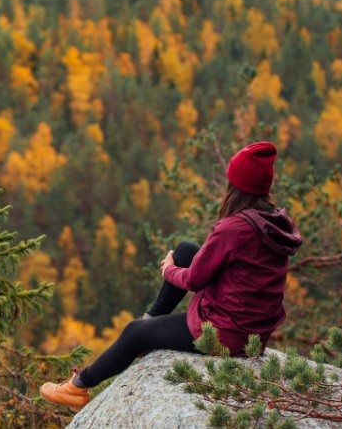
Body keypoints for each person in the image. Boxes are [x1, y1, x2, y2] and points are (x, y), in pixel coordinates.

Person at [39, 141, 302, 411]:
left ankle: (77, 387)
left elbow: (194, 281)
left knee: (133, 332)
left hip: (226, 333)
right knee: (186, 251)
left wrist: (168, 269)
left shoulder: (235, 228)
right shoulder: (272, 221)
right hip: (253, 329)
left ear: (236, 185)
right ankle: (152, 323)